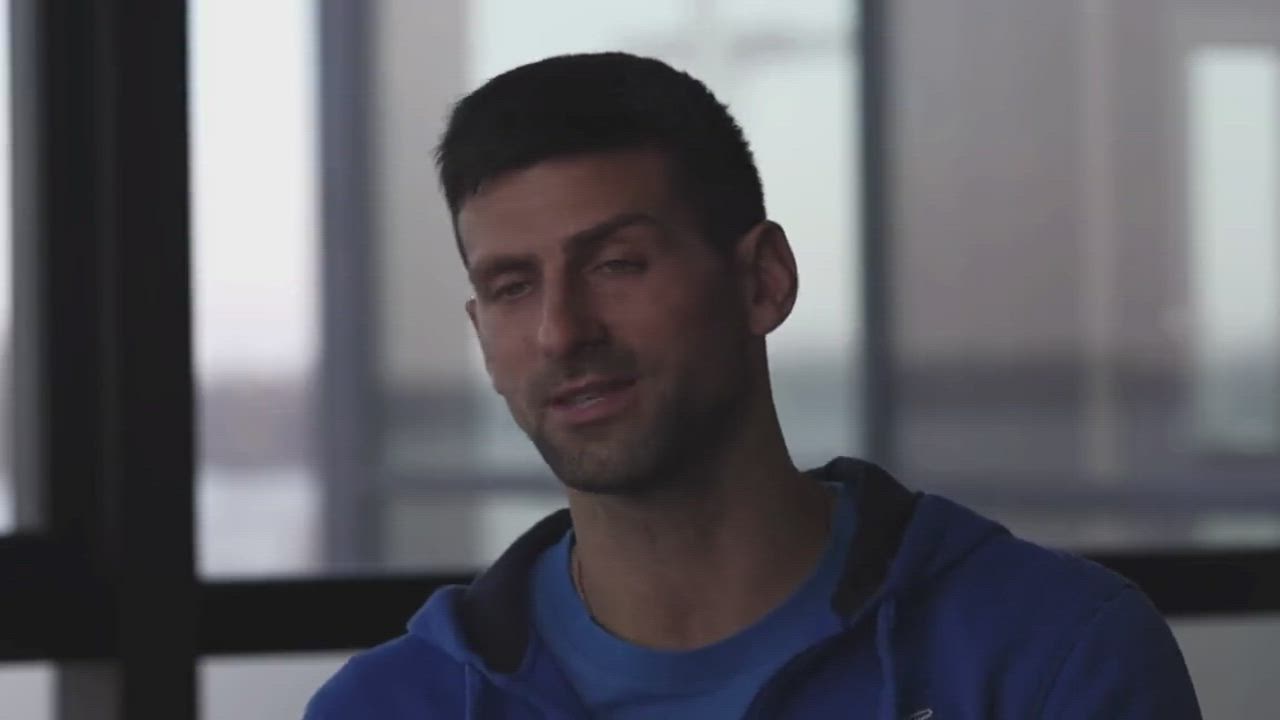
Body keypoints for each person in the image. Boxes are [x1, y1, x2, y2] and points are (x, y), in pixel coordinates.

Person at [305, 52, 1201, 719]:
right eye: (513, 287)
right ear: (482, 337)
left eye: (617, 263)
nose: (562, 331)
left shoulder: (1047, 657)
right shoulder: (394, 706)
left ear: (762, 281)